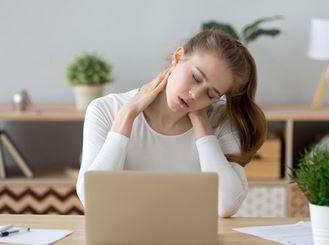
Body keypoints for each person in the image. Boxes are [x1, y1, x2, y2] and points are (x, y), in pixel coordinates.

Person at [76, 30, 267, 218]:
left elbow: (226, 205)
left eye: (210, 94)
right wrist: (126, 115)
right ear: (178, 57)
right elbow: (92, 200)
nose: (194, 95)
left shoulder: (221, 120)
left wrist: (201, 123)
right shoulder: (106, 109)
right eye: (196, 78)